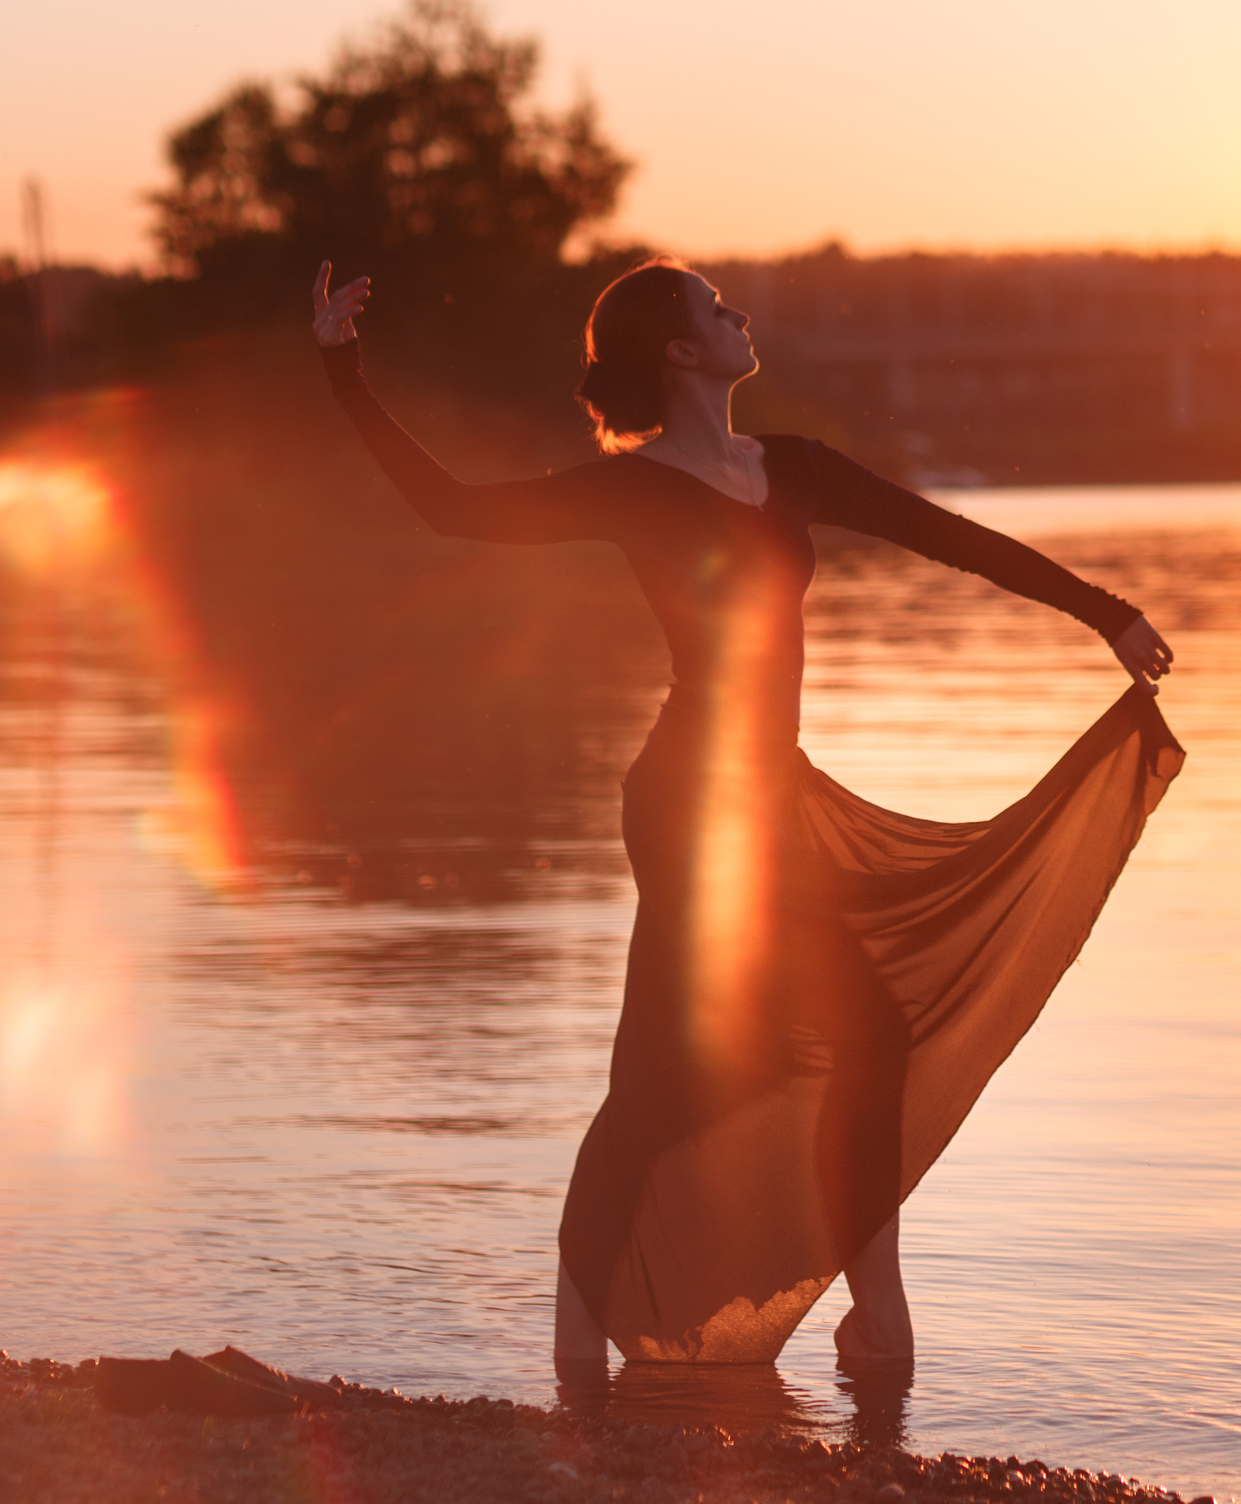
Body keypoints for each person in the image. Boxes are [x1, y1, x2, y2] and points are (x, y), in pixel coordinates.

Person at [311, 258, 1182, 1368]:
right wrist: (342, 370)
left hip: (771, 794)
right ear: (679, 352)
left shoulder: (794, 468)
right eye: (716, 308)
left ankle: (877, 1314)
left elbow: (950, 538)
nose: (741, 315)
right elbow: (449, 508)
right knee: (661, 1078)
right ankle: (581, 1338)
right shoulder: (629, 487)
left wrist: (1106, 614)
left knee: (859, 1035)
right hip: (687, 804)